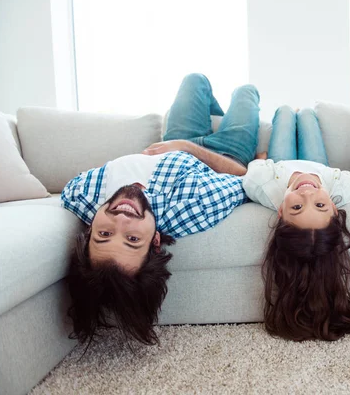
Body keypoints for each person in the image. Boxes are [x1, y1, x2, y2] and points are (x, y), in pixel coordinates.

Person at [61, 73, 259, 346]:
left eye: (104, 234)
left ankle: (213, 118)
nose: (121, 219)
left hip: (175, 139)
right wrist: (190, 149)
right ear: (155, 242)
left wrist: (180, 143)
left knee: (195, 80)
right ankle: (221, 125)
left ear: (90, 228)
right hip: (224, 153)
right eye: (132, 239)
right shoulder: (194, 208)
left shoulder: (81, 196)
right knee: (246, 91)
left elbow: (71, 193)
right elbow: (245, 177)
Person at [243, 105, 350, 341]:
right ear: (334, 208)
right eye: (320, 205)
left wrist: (261, 160)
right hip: (319, 165)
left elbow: (255, 169)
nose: (308, 195)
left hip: (280, 165)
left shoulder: (260, 185)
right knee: (306, 115)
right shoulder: (345, 190)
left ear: (281, 212)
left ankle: (289, 111)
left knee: (285, 111)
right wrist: (319, 179)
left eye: (296, 207)